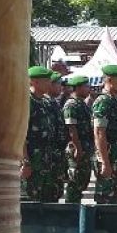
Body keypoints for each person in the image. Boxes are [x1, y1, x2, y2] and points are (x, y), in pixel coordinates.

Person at [92, 65, 117, 204]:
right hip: (110, 158)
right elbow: (99, 133)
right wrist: (104, 162)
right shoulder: (103, 102)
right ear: (109, 80)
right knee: (107, 200)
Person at [21, 66, 57, 202]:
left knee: (46, 200)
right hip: (32, 160)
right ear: (34, 82)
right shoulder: (26, 101)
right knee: (30, 201)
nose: (50, 83)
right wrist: (25, 162)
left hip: (46, 161)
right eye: (46, 80)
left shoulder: (44, 102)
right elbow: (21, 134)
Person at [63, 76, 94, 204]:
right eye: (86, 86)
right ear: (78, 87)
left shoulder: (82, 103)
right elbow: (72, 128)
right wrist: (77, 148)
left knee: (82, 180)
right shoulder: (71, 105)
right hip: (77, 148)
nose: (89, 89)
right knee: (74, 181)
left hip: (85, 147)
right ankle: (71, 210)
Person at [47, 72, 68, 200]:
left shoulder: (54, 103)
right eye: (58, 84)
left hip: (56, 156)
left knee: (55, 193)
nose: (61, 87)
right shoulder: (42, 103)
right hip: (44, 158)